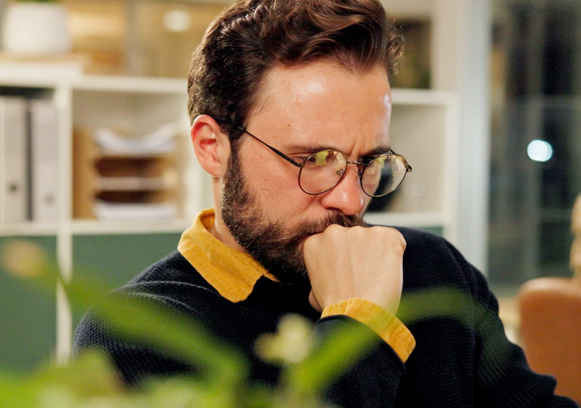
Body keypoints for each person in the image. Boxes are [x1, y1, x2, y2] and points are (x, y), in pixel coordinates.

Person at [74, 0, 578, 406]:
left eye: (371, 161)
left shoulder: (433, 268)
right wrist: (360, 323)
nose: (350, 199)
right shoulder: (136, 335)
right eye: (315, 159)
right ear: (212, 147)